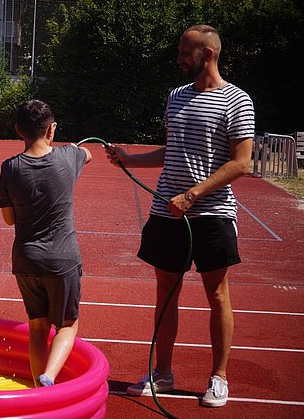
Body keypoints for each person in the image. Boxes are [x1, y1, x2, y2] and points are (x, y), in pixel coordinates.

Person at [105, 25, 255, 407]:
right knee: (165, 295)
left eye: (184, 53)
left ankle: (219, 378)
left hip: (211, 214)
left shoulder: (237, 101)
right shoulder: (176, 97)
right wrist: (131, 159)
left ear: (207, 54)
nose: (178, 59)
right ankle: (163, 373)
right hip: (165, 213)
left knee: (217, 295)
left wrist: (192, 195)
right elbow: (172, 151)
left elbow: (241, 163)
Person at [0, 100, 92, 387]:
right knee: (67, 324)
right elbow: (87, 154)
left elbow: (9, 219)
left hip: (25, 260)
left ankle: (39, 386)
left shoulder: (10, 167)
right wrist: (76, 149)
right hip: (62, 259)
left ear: (17, 130)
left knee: (38, 326)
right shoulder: (67, 157)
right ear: (51, 130)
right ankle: (49, 376)